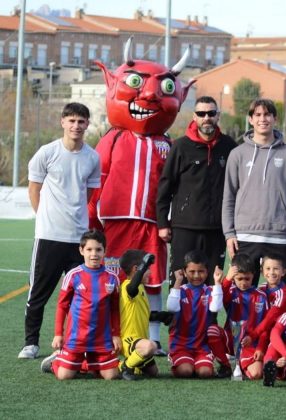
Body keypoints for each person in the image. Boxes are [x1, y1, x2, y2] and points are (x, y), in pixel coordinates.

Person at [87, 39, 194, 354]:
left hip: (151, 224)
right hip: (115, 221)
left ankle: (154, 338)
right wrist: (93, 216)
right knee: (111, 279)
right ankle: (109, 336)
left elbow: (174, 186)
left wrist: (168, 220)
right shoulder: (112, 138)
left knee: (153, 280)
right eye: (137, 83)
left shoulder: (167, 144)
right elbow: (97, 179)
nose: (148, 95)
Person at [18, 102, 101, 359]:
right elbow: (34, 189)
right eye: (72, 120)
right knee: (38, 293)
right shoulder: (47, 152)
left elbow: (89, 193)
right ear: (62, 122)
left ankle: (75, 345)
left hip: (78, 239)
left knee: (81, 296)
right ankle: (31, 344)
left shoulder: (92, 157)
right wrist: (45, 217)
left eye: (81, 121)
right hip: (49, 236)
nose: (76, 126)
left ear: (87, 124)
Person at [222, 98, 286, 287]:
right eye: (257, 115)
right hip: (245, 236)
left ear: (275, 118)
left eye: (267, 114)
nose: (263, 119)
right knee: (242, 294)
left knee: (280, 295)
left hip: (279, 236)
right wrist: (229, 233)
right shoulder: (238, 154)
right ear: (250, 119)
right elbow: (228, 197)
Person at [157, 96, 237, 284]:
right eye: (201, 114)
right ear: (194, 117)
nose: (206, 118)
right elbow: (165, 186)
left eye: (211, 113)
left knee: (213, 285)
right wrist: (162, 223)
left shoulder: (229, 146)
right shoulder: (180, 146)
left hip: (217, 229)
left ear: (218, 116)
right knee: (180, 283)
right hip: (184, 228)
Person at [49, 230, 120, 380]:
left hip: (101, 338)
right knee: (64, 376)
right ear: (81, 251)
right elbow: (62, 306)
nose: (94, 254)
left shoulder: (112, 277)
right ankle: (56, 361)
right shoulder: (73, 275)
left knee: (111, 376)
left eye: (98, 249)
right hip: (77, 337)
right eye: (89, 249)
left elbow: (115, 309)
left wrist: (116, 335)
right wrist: (58, 334)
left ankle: (85, 364)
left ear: (105, 251)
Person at [207, 254, 268, 380]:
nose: (243, 283)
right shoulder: (230, 291)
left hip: (250, 344)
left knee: (256, 374)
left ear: (253, 275)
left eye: (247, 279)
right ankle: (226, 366)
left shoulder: (261, 296)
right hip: (230, 341)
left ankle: (242, 366)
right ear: (233, 276)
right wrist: (227, 279)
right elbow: (219, 298)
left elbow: (265, 326)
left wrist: (260, 347)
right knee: (212, 330)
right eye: (239, 279)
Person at [166, 250, 223, 378]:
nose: (196, 275)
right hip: (180, 345)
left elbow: (216, 308)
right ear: (184, 272)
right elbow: (171, 307)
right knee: (185, 371)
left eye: (201, 271)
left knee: (205, 373)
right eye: (192, 272)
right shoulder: (180, 290)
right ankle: (180, 363)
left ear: (207, 272)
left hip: (202, 346)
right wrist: (178, 281)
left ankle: (198, 363)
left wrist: (218, 283)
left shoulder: (210, 290)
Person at [118, 250, 166, 380]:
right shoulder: (127, 286)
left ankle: (123, 365)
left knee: (153, 372)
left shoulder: (140, 288)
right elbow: (131, 289)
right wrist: (143, 266)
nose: (150, 272)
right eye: (147, 269)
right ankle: (125, 367)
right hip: (129, 340)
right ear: (136, 269)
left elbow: (144, 314)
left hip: (140, 340)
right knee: (151, 346)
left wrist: (161, 316)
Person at [248, 254, 286, 341]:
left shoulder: (283, 294)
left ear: (283, 272)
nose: (271, 272)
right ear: (262, 271)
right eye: (268, 268)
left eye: (276, 269)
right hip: (262, 329)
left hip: (279, 332)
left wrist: (253, 335)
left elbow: (270, 319)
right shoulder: (261, 288)